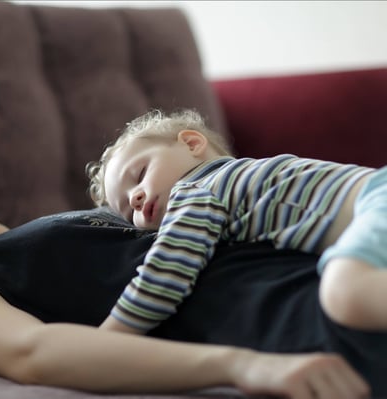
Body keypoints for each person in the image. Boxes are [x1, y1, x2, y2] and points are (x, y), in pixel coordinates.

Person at [0, 143, 376, 399]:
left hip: (345, 258)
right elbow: (34, 353)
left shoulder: (86, 212)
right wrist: (243, 365)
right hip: (311, 326)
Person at [86, 108, 387, 338]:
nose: (136, 198)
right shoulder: (242, 185)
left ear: (191, 143)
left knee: (344, 293)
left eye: (139, 175)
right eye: (128, 211)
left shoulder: (196, 188)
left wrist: (108, 337)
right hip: (375, 194)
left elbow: (165, 273)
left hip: (375, 200)